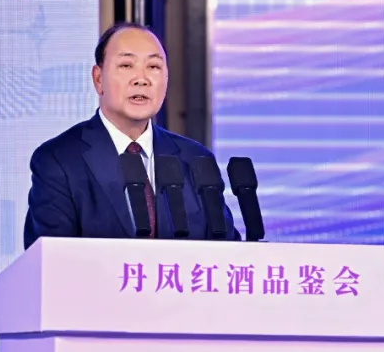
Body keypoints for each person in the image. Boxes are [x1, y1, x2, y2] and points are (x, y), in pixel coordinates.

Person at [23, 22, 240, 248]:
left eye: (153, 67)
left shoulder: (195, 159)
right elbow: (49, 259)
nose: (141, 79)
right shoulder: (59, 160)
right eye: (126, 65)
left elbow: (226, 252)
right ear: (98, 79)